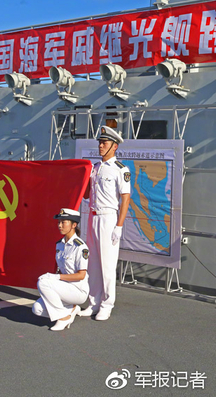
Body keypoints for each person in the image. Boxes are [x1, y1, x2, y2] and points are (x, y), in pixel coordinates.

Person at [78, 125, 130, 321]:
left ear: (114, 146)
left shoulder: (120, 170)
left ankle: (107, 305)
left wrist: (119, 226)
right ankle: (94, 302)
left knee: (107, 264)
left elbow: (125, 199)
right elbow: (86, 195)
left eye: (104, 143)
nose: (100, 146)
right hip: (92, 216)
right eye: (100, 142)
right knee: (92, 263)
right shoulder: (95, 168)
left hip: (108, 218)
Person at [32, 208, 89, 331]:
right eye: (59, 222)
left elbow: (81, 275)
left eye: (63, 222)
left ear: (74, 225)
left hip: (78, 290)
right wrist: (55, 277)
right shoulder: (59, 244)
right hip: (64, 288)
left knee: (43, 283)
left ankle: (64, 317)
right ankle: (71, 309)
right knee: (37, 309)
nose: (59, 225)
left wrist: (56, 277)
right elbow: (60, 269)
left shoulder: (80, 247)